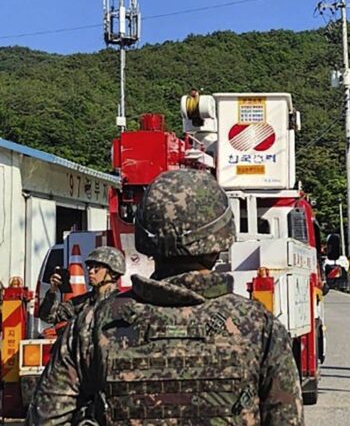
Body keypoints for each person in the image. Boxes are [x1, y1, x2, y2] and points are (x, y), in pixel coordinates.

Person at [27, 170, 304, 425]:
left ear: (145, 236)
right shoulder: (260, 327)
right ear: (222, 238)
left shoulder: (93, 324)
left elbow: (46, 418)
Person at [39, 246, 125, 324]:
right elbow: (49, 317)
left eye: (97, 268)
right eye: (90, 267)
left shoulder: (123, 304)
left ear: (113, 273)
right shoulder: (81, 303)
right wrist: (53, 290)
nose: (91, 271)